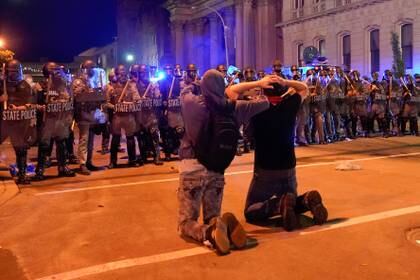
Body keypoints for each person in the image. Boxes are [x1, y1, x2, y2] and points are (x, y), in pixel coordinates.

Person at [178, 69, 277, 255]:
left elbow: (184, 90)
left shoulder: (192, 103)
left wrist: (195, 83)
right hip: (217, 169)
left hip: (191, 168)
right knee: (213, 215)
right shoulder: (236, 107)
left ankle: (208, 232)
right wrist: (258, 84)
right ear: (223, 87)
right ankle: (217, 225)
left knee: (185, 223)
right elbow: (264, 103)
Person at [244, 75, 328, 231]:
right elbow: (303, 88)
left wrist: (258, 83)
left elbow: (231, 92)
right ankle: (306, 200)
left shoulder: (256, 108)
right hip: (288, 167)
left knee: (251, 211)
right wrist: (284, 81)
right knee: (292, 201)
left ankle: (278, 204)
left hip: (266, 169)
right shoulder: (290, 104)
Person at [34, 62, 75, 180]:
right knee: (44, 145)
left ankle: (63, 167)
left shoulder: (64, 85)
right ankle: (40, 170)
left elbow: (70, 101)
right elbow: (33, 104)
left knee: (61, 144)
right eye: (53, 70)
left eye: (58, 69)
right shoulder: (40, 86)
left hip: (60, 119)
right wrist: (42, 107)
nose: (57, 72)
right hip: (47, 120)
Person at [0, 60, 39, 184]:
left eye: (16, 72)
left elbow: (30, 104)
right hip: (3, 122)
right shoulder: (2, 84)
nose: (13, 75)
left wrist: (20, 108)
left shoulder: (24, 85)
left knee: (21, 149)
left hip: (18, 122)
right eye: (11, 72)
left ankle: (22, 175)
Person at [72, 60, 106, 175]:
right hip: (83, 113)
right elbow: (77, 96)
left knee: (91, 141)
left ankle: (89, 162)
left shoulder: (95, 81)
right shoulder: (78, 82)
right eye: (90, 68)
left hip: (93, 113)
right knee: (84, 140)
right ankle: (82, 164)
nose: (92, 70)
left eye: (93, 68)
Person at [106, 64, 140, 168]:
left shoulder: (131, 85)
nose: (122, 73)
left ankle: (132, 160)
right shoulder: (110, 87)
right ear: (116, 73)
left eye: (124, 71)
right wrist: (114, 107)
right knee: (116, 138)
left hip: (129, 115)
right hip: (117, 116)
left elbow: (137, 99)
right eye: (120, 71)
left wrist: (131, 104)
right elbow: (106, 102)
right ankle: (113, 161)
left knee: (130, 138)